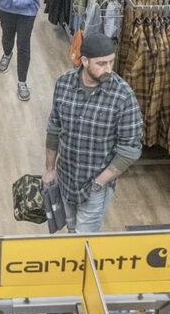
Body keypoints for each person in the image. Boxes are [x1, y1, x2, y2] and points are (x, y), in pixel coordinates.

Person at [44, 33, 143, 233]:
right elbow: (54, 128)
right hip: (65, 178)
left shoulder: (123, 96)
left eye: (111, 62)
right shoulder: (64, 84)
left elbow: (130, 149)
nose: (108, 69)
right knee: (71, 228)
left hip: (95, 186)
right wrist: (49, 169)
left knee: (84, 239)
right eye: (101, 63)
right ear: (85, 61)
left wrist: (100, 182)